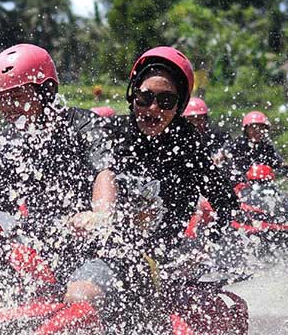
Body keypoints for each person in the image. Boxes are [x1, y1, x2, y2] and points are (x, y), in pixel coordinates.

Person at [64, 46, 238, 317]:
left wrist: (204, 251)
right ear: (133, 96)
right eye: (145, 97)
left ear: (179, 105)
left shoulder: (188, 148)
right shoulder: (112, 135)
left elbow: (227, 204)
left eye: (166, 101)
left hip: (156, 265)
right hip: (103, 252)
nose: (153, 109)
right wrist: (80, 217)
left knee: (81, 296)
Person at [0, 43, 116, 281]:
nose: (8, 107)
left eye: (18, 96)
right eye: (2, 98)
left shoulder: (84, 125)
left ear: (46, 92)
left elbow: (104, 173)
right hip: (35, 248)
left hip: (88, 248)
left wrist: (99, 216)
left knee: (79, 295)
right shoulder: (10, 142)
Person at [217, 110, 288, 183]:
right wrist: (220, 156)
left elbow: (279, 164)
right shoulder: (239, 143)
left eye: (261, 128)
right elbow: (225, 151)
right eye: (253, 128)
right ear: (246, 130)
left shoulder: (267, 147)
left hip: (263, 186)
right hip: (241, 184)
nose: (257, 131)